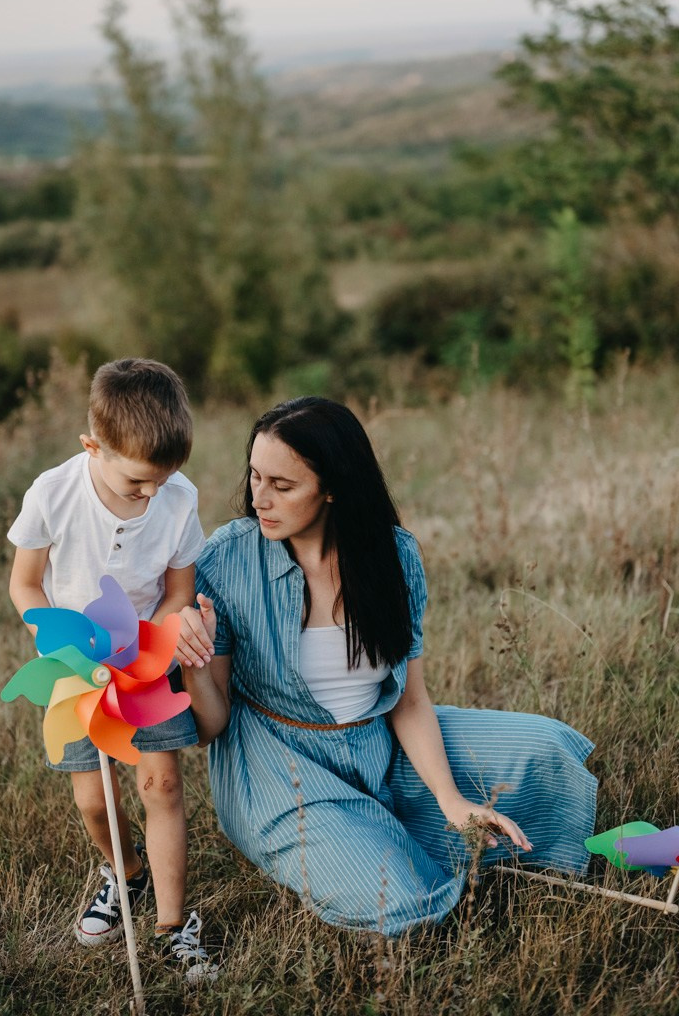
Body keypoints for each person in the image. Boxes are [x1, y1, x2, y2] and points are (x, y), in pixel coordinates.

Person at [175, 396, 597, 935]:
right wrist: (194, 661)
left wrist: (451, 798)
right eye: (255, 476)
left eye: (282, 485)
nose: (259, 498)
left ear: (333, 487)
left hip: (380, 743)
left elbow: (409, 699)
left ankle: (418, 829)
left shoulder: (393, 556)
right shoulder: (227, 559)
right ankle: (381, 850)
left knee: (546, 751)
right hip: (280, 765)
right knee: (397, 896)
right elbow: (210, 729)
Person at [8, 358, 215, 979]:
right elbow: (25, 584)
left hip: (145, 658)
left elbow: (179, 591)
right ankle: (125, 873)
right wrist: (59, 647)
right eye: (137, 482)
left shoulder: (178, 499)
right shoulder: (52, 493)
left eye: (162, 480)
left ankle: (172, 926)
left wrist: (150, 643)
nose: (151, 494)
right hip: (75, 665)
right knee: (95, 801)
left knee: (163, 787)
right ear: (92, 447)